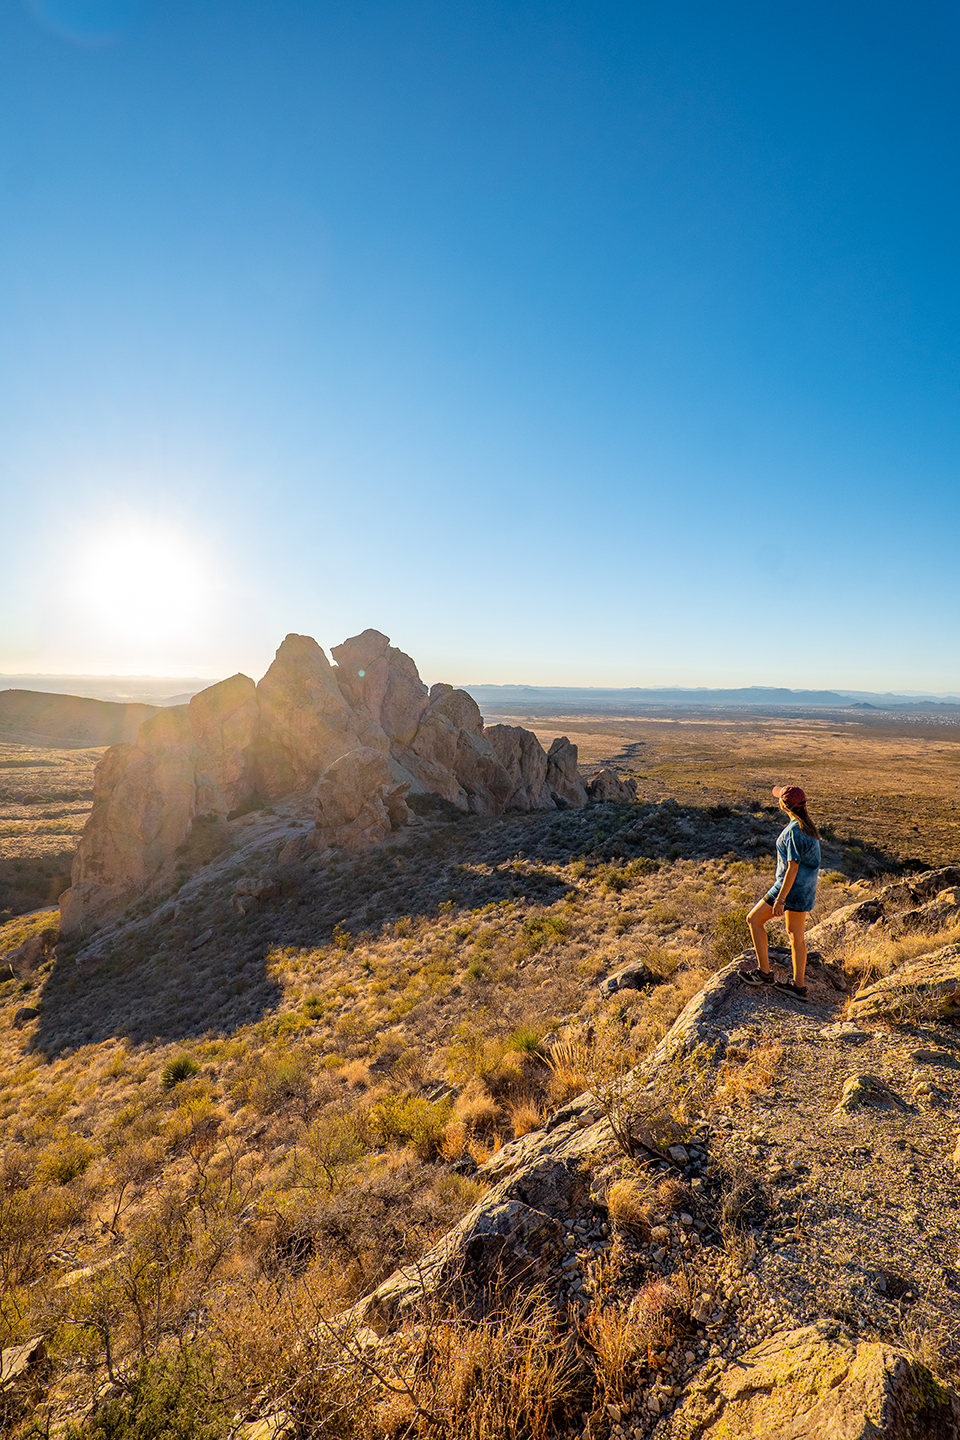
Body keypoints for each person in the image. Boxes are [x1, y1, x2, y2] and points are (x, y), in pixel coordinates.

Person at [738, 784, 821, 1000]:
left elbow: (793, 866)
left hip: (788, 888)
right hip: (805, 890)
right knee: (796, 937)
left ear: (784, 805)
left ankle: (764, 973)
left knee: (754, 920)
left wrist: (781, 898)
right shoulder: (808, 827)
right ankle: (798, 987)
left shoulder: (794, 831)